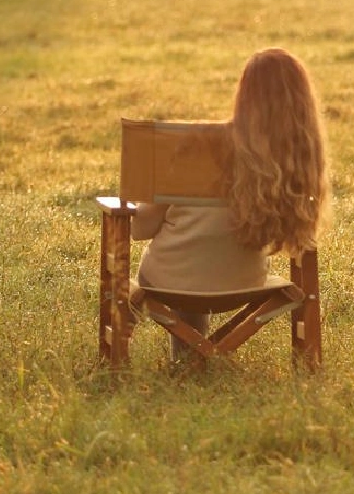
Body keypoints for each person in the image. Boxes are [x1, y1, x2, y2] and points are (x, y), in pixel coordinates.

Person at [130, 47, 329, 359]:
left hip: (166, 280)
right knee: (208, 254)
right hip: (244, 282)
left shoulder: (196, 145)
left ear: (244, 93)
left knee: (191, 257)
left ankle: (190, 356)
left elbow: (140, 228)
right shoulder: (299, 159)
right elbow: (301, 236)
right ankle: (194, 357)